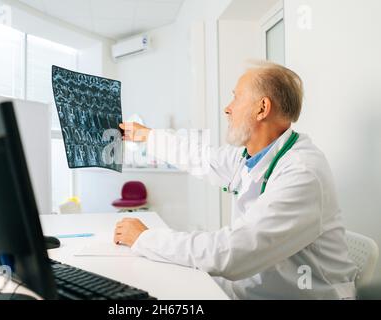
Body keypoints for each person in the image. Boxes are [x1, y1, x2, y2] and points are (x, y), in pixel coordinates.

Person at [114, 61, 358, 300]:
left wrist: (145, 238)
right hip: (254, 286)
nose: (227, 108)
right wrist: (146, 136)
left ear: (262, 108)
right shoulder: (251, 157)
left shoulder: (302, 173)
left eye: (236, 97)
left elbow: (234, 253)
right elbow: (200, 156)